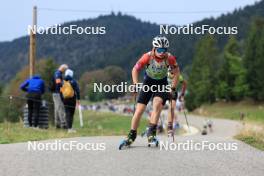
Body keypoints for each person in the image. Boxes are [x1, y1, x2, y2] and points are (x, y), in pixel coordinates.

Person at [121, 36, 180, 146]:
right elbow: (135, 69)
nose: (162, 53)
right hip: (148, 83)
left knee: (157, 105)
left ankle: (151, 134)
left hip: (162, 83)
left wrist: (172, 88)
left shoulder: (170, 58)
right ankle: (132, 134)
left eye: (164, 50)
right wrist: (134, 84)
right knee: (139, 110)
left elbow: (177, 73)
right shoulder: (147, 57)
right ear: (154, 48)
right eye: (159, 50)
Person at [167, 72, 187, 137]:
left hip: (173, 92)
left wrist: (182, 94)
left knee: (171, 108)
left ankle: (170, 127)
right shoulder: (164, 72)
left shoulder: (177, 75)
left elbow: (184, 84)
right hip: (163, 92)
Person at [61, 69, 80, 133]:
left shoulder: (62, 81)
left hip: (65, 99)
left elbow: (60, 91)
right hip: (72, 99)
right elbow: (77, 91)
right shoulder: (73, 81)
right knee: (71, 113)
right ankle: (70, 128)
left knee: (67, 113)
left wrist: (62, 99)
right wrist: (78, 99)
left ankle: (68, 127)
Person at [51, 64, 68, 129]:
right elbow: (58, 83)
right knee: (60, 108)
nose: (65, 71)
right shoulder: (58, 74)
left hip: (55, 93)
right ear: (63, 69)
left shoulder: (57, 73)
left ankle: (57, 124)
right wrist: (63, 87)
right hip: (57, 93)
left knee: (57, 108)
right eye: (65, 70)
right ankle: (63, 124)